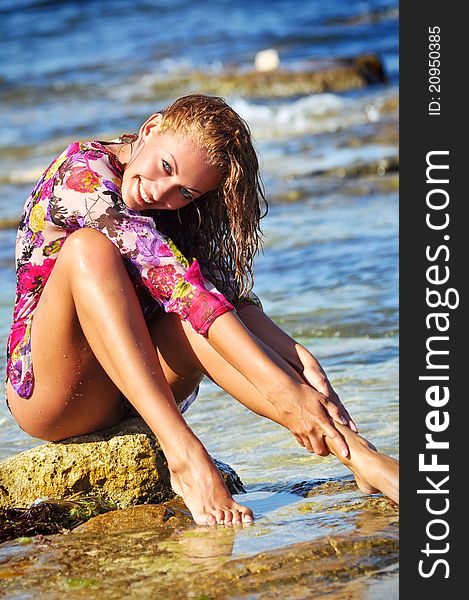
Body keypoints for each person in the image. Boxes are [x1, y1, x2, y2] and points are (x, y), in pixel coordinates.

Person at [5, 94, 399, 526]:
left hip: (139, 388)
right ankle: (185, 456)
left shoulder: (175, 203)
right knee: (89, 250)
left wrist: (296, 355)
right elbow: (174, 281)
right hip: (58, 392)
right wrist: (286, 392)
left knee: (198, 317)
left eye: (184, 191)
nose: (160, 191)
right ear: (151, 128)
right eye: (166, 167)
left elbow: (219, 302)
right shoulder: (83, 176)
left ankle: (361, 459)